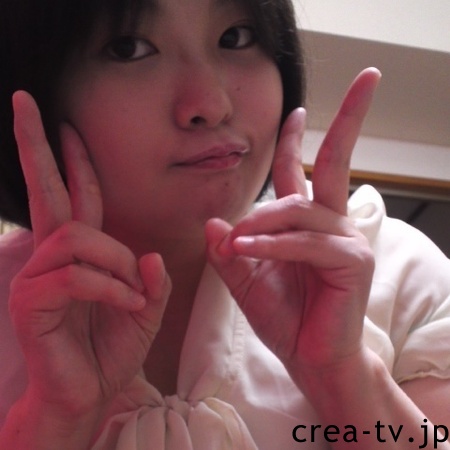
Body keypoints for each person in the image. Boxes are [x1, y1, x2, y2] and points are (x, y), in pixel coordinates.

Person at [0, 0, 449, 448]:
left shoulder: (399, 274)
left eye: (236, 38)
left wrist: (342, 375)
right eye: (128, 48)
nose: (211, 105)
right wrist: (55, 420)